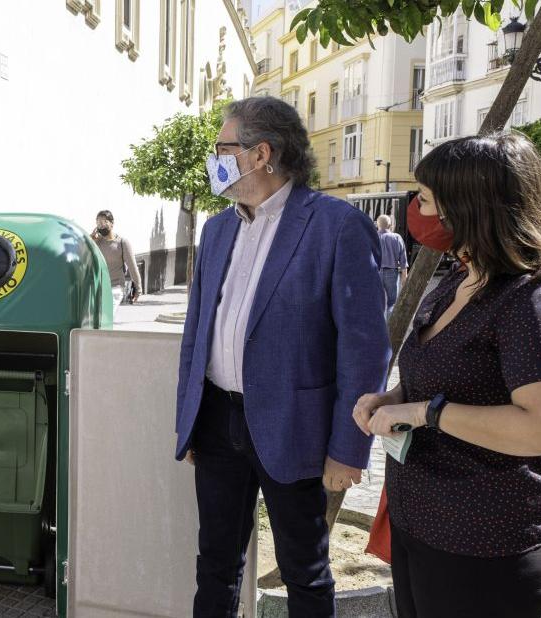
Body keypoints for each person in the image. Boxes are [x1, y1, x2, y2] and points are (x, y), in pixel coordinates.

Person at [353, 133, 541, 618]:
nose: (413, 210)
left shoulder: (534, 297)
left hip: (486, 548)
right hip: (423, 525)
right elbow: (450, 374)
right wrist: (394, 396)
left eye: (424, 199)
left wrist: (424, 412)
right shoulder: (462, 278)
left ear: (468, 207)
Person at [176, 96, 390, 617]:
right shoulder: (218, 228)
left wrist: (347, 449)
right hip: (217, 422)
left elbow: (364, 348)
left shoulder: (336, 226)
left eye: (222, 147)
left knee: (305, 572)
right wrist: (189, 420)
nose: (214, 158)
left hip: (295, 426)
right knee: (215, 564)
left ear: (260, 153)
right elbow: (197, 331)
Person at [91, 210, 143, 307]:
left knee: (108, 316)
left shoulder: (122, 243)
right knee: (99, 320)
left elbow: (132, 267)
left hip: (116, 287)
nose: (100, 225)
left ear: (112, 223)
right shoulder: (97, 242)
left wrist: (138, 289)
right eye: (98, 222)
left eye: (103, 222)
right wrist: (90, 241)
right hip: (99, 288)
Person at [377, 214, 408, 319]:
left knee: (378, 304)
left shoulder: (373, 237)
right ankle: (390, 330)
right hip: (392, 273)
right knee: (392, 303)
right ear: (390, 225)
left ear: (377, 224)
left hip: (376, 273)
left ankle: (380, 331)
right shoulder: (397, 237)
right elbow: (403, 258)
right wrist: (404, 275)